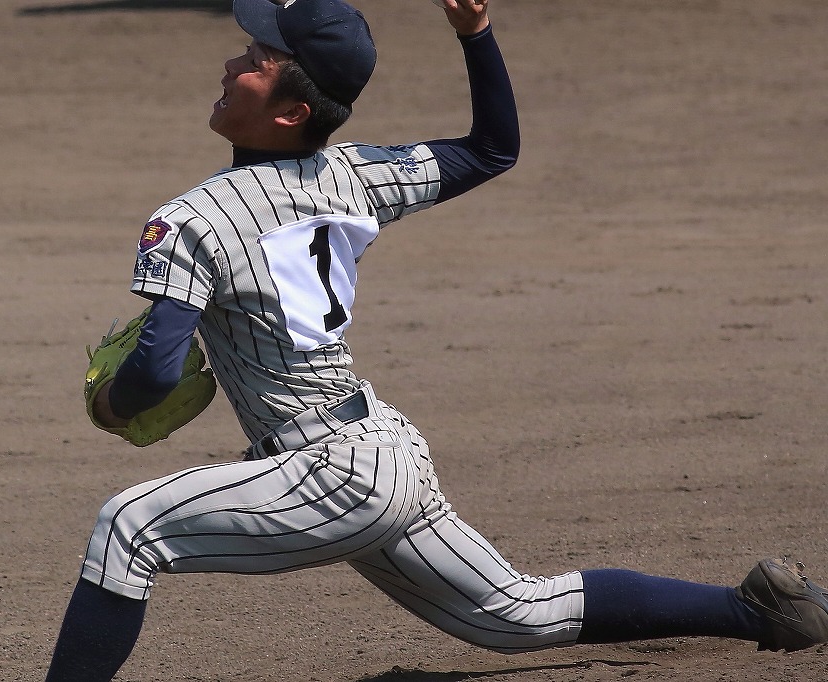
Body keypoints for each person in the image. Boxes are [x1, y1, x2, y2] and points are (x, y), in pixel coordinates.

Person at [44, 1, 828, 679]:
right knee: (514, 615)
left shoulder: (191, 221)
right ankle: (757, 611)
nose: (231, 61)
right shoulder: (358, 175)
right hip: (382, 451)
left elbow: (150, 377)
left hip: (326, 473)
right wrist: (476, 35)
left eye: (255, 58)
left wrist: (113, 404)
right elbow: (494, 147)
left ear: (289, 111)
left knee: (130, 526)